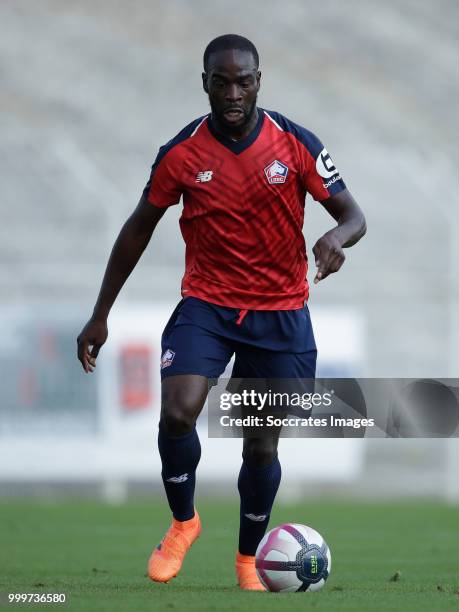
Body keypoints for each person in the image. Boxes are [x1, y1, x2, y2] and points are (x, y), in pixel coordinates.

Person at [77, 34, 366, 590]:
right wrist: (100, 313)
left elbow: (354, 215)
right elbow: (138, 229)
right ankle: (183, 523)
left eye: (244, 80)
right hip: (206, 305)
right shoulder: (181, 153)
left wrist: (336, 237)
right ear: (204, 81)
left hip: (280, 312)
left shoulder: (295, 144)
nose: (233, 91)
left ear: (260, 80)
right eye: (221, 80)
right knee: (178, 412)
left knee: (261, 443)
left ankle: (246, 558)